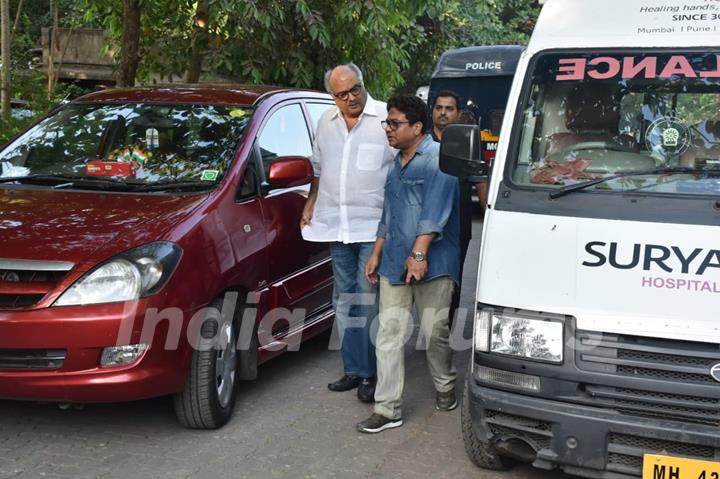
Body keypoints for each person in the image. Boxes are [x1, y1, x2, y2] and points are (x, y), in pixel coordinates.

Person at [357, 95, 460, 433]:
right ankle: (387, 409)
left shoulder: (439, 160)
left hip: (433, 263)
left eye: (394, 123)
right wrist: (376, 252)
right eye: (387, 122)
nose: (388, 128)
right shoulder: (395, 164)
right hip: (393, 262)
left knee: (434, 334)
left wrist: (418, 255)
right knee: (389, 333)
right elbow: (389, 213)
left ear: (416, 127)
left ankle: (445, 386)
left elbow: (434, 214)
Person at [300, 63, 394, 403]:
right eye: (343, 94)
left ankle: (371, 374)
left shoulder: (385, 118)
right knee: (344, 301)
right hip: (335, 226)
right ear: (333, 97)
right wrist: (311, 201)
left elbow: (401, 168)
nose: (351, 97)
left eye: (355, 89)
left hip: (372, 228)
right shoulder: (325, 122)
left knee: (367, 303)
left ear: (362, 83)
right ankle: (353, 370)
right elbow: (319, 169)